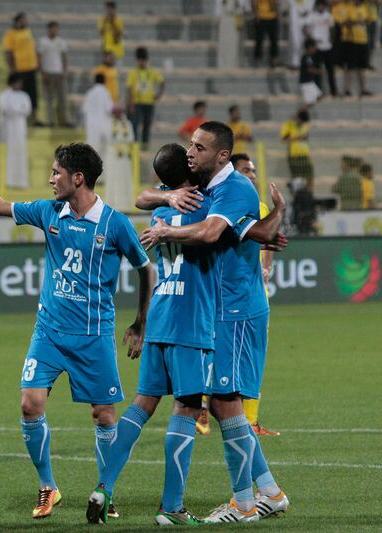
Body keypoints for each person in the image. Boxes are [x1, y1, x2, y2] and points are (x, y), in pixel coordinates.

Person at [0, 143, 154, 524]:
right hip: (49, 331)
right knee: (29, 403)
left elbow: (145, 270)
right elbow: (2, 207)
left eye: (56, 172)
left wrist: (140, 322)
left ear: (78, 178)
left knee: (104, 415)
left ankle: (106, 489)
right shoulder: (49, 211)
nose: (50, 178)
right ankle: (48, 485)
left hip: (93, 335)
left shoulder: (115, 223)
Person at [139, 122, 289, 523]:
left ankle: (243, 503)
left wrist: (166, 230)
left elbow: (208, 233)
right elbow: (143, 195)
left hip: (237, 310)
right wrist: (271, 222)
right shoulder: (205, 186)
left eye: (200, 147)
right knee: (223, 405)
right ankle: (270, 492)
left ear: (222, 155)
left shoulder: (235, 187)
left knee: (225, 402)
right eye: (191, 144)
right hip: (217, 310)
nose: (192, 152)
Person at [100, 144, 214, 527]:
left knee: (142, 404)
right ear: (189, 170)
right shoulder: (204, 206)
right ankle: (171, 507)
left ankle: (104, 486)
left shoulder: (161, 211)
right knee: (185, 409)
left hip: (160, 318)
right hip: (190, 322)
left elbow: (144, 195)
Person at [230, 153, 280, 436]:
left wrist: (266, 269)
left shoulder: (260, 206)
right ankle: (198, 408)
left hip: (254, 291)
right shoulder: (224, 202)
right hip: (227, 291)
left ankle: (251, 420)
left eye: (253, 170)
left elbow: (268, 242)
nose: (252, 174)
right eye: (246, 170)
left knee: (255, 352)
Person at [2, 13, 39, 123]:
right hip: (20, 68)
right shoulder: (10, 34)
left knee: (33, 94)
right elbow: (8, 52)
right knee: (21, 94)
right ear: (18, 21)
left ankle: (34, 117)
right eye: (24, 20)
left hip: (31, 68)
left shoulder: (28, 32)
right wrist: (12, 68)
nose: (26, 22)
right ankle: (23, 118)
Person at [0, 74, 32, 189]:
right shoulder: (4, 95)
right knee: (9, 154)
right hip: (8, 129)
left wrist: (15, 110)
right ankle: (8, 180)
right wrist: (17, 110)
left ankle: (20, 181)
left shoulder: (24, 95)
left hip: (20, 128)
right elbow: (5, 109)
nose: (20, 85)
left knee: (20, 153)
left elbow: (27, 110)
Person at [126, 47, 164, 148]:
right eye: (140, 60)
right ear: (137, 60)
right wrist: (131, 104)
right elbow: (129, 89)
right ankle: (134, 146)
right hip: (137, 103)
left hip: (149, 102)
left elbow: (161, 82)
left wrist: (159, 94)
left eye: (143, 60)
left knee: (147, 125)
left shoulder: (152, 71)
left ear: (146, 60)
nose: (141, 62)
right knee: (135, 125)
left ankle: (145, 146)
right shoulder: (133, 72)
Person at [334, 0, 371, 96]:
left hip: (363, 40)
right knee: (349, 66)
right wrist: (356, 22)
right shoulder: (349, 8)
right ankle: (347, 89)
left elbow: (368, 21)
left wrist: (363, 21)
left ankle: (363, 89)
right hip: (352, 41)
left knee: (362, 66)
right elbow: (344, 23)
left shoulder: (364, 8)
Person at [38, 21, 71, 127]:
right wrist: (42, 72)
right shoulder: (43, 42)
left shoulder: (61, 42)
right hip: (48, 72)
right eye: (53, 29)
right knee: (49, 98)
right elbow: (39, 58)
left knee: (62, 98)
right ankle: (50, 121)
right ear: (49, 29)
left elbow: (64, 57)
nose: (55, 31)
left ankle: (63, 120)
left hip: (59, 72)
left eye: (56, 29)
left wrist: (64, 71)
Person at [105, 103, 135, 212]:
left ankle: (125, 205)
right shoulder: (109, 124)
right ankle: (113, 204)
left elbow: (131, 138)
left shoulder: (127, 124)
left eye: (120, 112)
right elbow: (109, 139)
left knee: (125, 179)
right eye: (116, 113)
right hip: (113, 156)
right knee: (113, 179)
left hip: (125, 156)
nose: (118, 115)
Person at [304, 0, 337, 97]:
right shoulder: (312, 16)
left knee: (330, 70)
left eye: (322, 6)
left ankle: (333, 90)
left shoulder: (328, 16)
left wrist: (331, 40)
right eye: (319, 6)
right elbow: (304, 28)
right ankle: (318, 91)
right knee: (317, 70)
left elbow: (332, 29)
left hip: (327, 47)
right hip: (317, 48)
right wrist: (311, 40)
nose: (321, 7)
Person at [82, 73, 114, 163]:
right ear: (105, 81)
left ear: (95, 81)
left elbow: (84, 109)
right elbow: (109, 109)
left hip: (92, 126)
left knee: (91, 151)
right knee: (104, 152)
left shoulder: (89, 93)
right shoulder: (106, 93)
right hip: (104, 126)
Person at [280, 108, 314, 187]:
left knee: (310, 176)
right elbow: (284, 140)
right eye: (301, 121)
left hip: (305, 155)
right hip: (294, 156)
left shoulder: (304, 125)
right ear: (298, 118)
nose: (303, 123)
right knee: (296, 178)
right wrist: (299, 137)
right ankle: (297, 196)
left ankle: (309, 196)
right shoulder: (288, 125)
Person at [287, 0, 315, 69]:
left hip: (307, 16)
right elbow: (291, 2)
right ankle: (295, 62)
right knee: (295, 42)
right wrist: (300, 9)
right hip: (295, 17)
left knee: (307, 41)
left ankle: (309, 62)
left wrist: (306, 10)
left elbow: (311, 3)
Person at [253, 0, 280, 67]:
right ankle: (257, 59)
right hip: (261, 17)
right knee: (259, 39)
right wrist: (256, 14)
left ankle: (273, 59)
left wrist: (277, 14)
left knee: (274, 39)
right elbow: (254, 3)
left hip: (272, 17)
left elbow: (276, 3)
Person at [299, 38, 323, 106]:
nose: (315, 48)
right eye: (314, 47)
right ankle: (299, 114)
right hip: (306, 83)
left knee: (318, 97)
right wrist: (318, 71)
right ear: (310, 47)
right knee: (308, 102)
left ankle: (302, 113)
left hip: (310, 82)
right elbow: (309, 69)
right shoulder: (306, 57)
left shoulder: (310, 57)